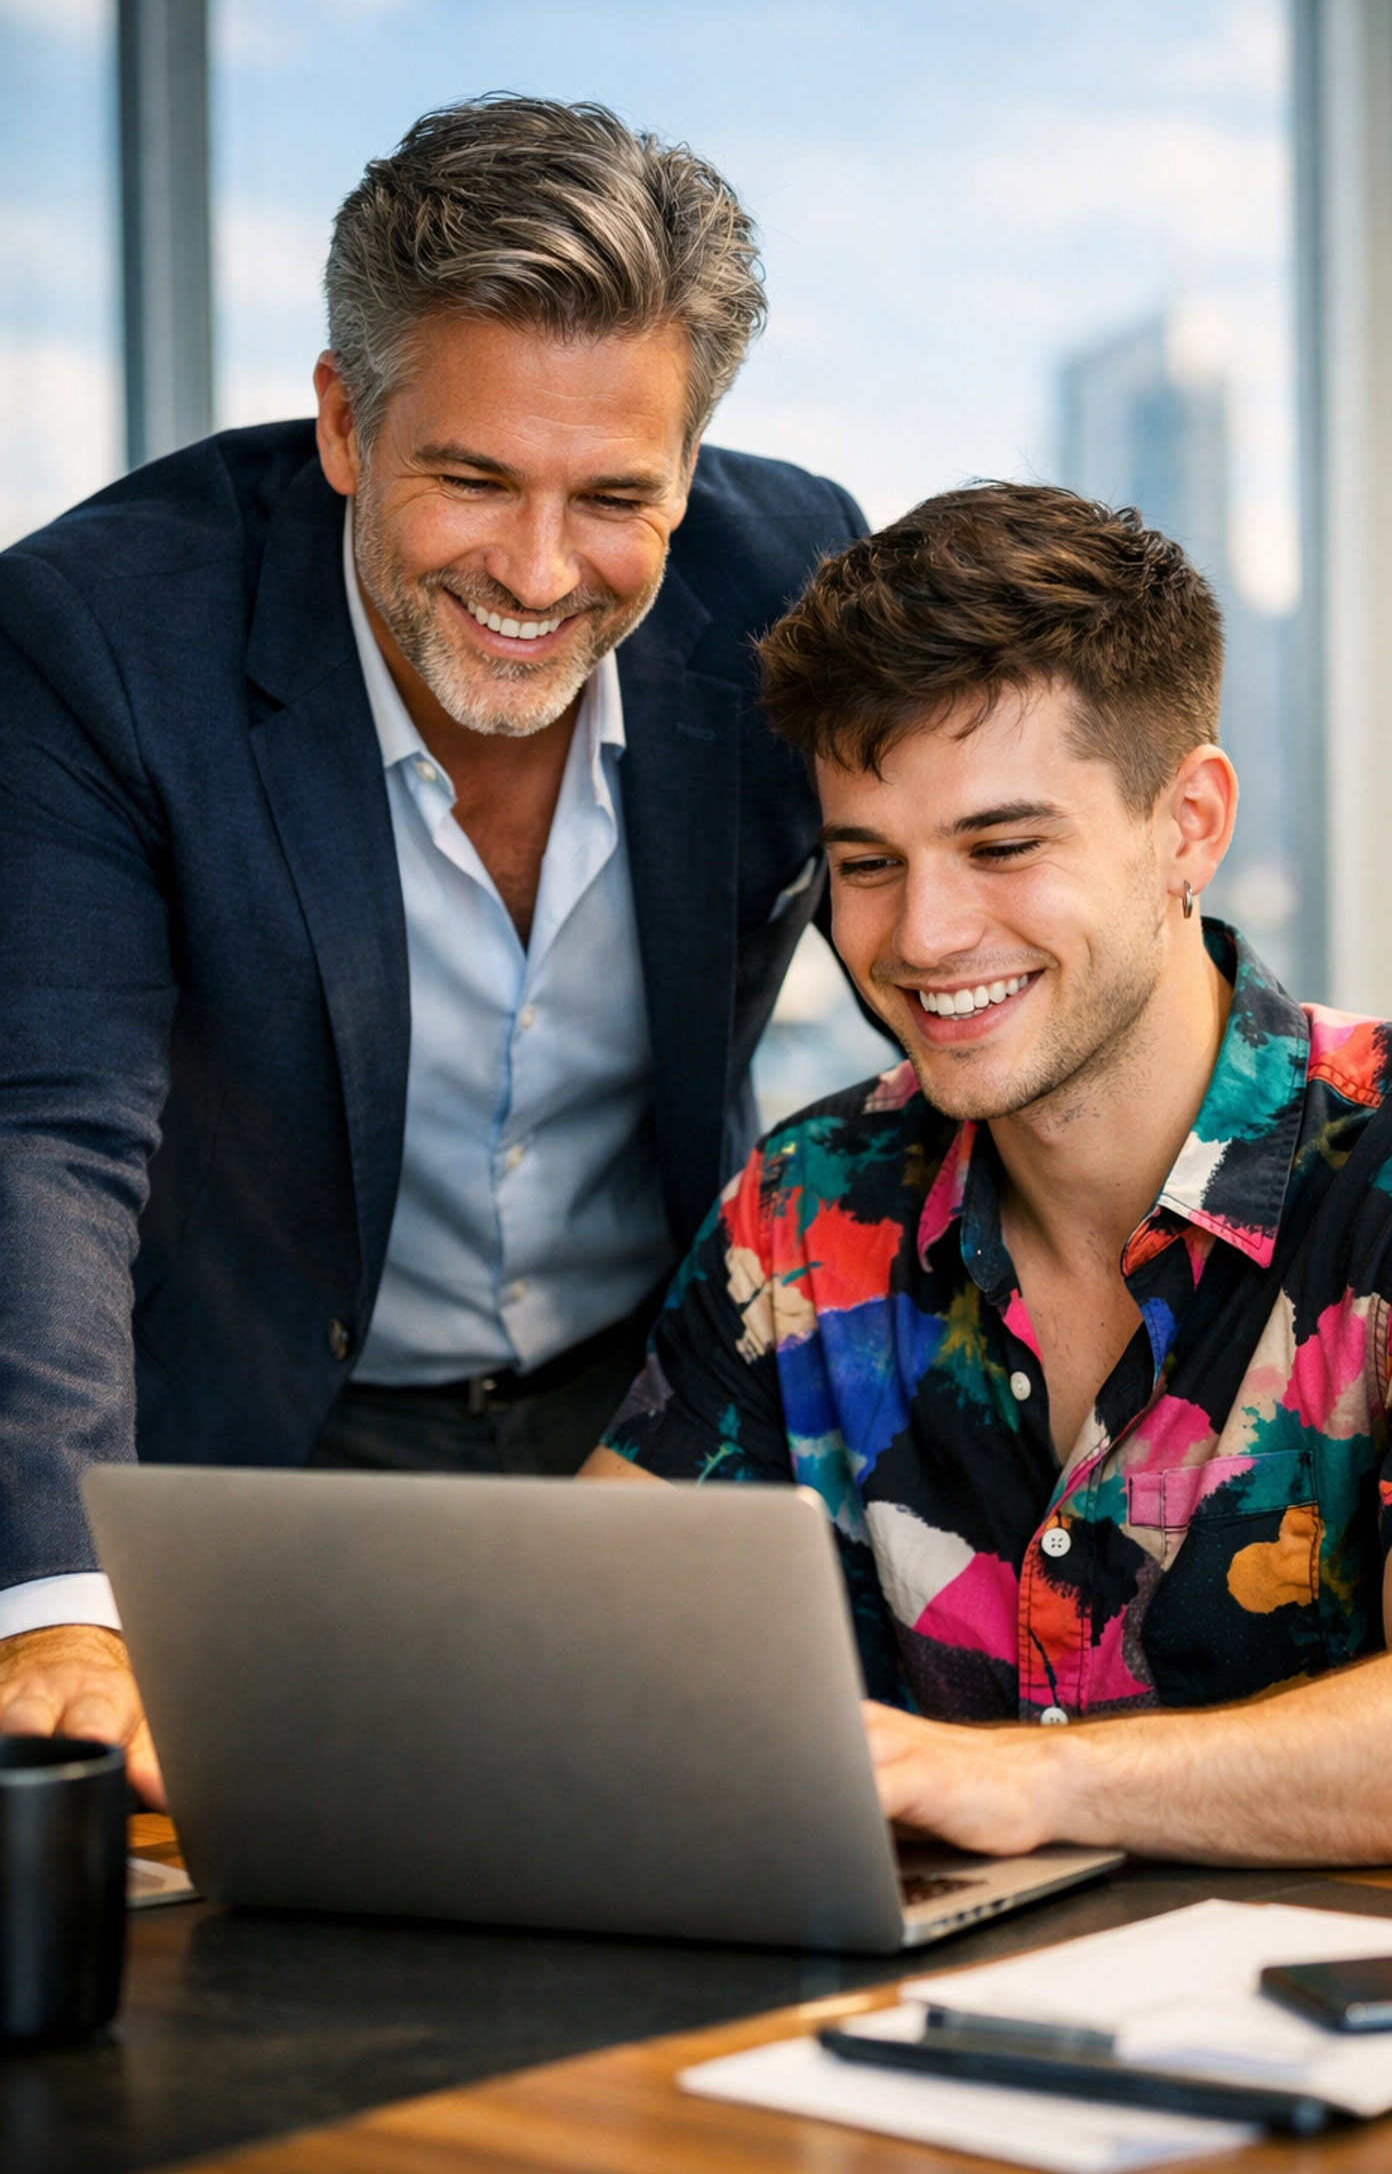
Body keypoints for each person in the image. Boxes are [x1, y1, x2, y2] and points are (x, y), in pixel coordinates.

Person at [0, 95, 863, 1802]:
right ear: (343, 423)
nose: (539, 573)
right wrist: (53, 1613)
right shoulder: (100, 635)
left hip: (661, 1404)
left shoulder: (793, 584)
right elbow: (49, 1134)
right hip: (265, 1420)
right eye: (471, 479)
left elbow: (952, 969)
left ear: (691, 468)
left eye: (616, 495)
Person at [588, 481, 1392, 1868]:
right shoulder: (808, 1209)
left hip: (1361, 2052)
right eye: (868, 864)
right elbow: (565, 1651)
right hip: (898, 2042)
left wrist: (1033, 1784)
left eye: (1003, 845)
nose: (923, 934)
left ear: (1188, 826)